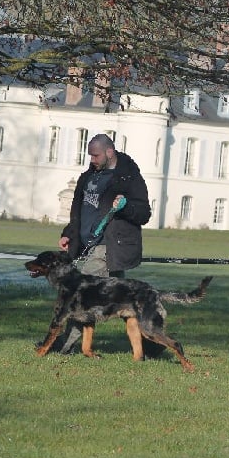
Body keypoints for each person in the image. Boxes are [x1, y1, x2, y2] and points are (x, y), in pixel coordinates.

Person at [55, 133, 151, 353]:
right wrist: (69, 233)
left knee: (82, 294)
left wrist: (125, 206)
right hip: (87, 245)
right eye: (90, 155)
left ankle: (64, 346)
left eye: (96, 155)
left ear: (109, 152)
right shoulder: (88, 177)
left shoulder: (129, 178)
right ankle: (154, 344)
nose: (92, 159)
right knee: (125, 302)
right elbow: (79, 211)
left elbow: (144, 213)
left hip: (110, 248)